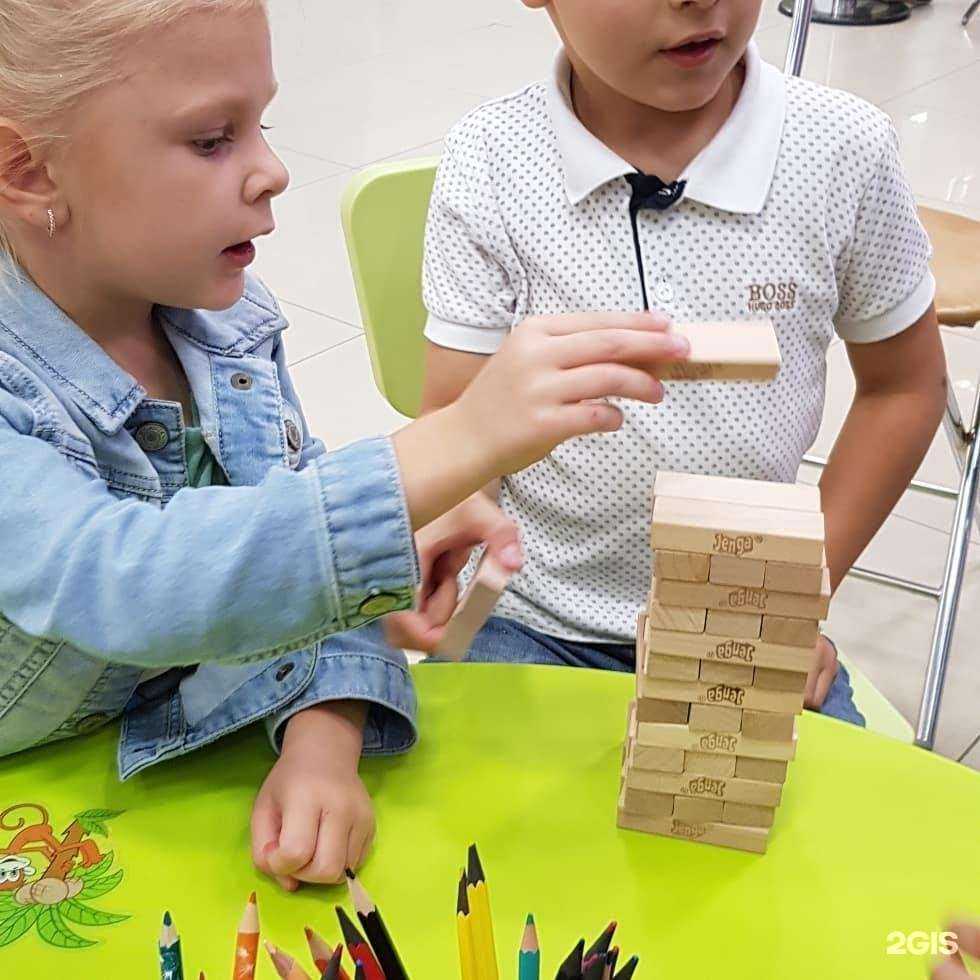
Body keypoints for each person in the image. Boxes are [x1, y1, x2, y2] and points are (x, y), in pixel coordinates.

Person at [0, 0, 687, 890]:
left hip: (156, 775)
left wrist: (325, 733)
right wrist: (454, 441)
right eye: (214, 139)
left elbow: (289, 529)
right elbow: (125, 580)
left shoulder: (220, 327)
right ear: (27, 168)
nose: (273, 171)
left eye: (263, 124)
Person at [371, 0, 948, 726]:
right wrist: (454, 517)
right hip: (534, 620)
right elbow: (459, 418)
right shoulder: (492, 158)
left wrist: (797, 594)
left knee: (817, 828)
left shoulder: (842, 149)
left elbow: (902, 386)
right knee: (492, 823)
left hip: (745, 613)